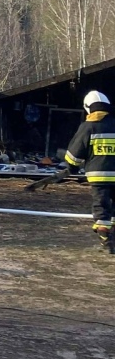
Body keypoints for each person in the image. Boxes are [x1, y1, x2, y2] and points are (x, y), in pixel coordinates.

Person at [63, 90, 115, 254]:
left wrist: (72, 167)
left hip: (98, 178)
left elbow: (74, 154)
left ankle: (105, 240)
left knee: (101, 209)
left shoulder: (87, 127)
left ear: (88, 108)